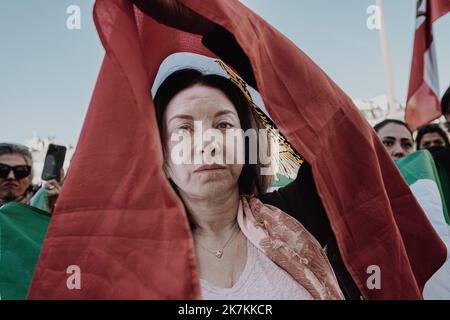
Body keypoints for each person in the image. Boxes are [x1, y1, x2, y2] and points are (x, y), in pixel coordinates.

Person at [154, 69, 343, 299]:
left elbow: (339, 134)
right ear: (161, 156)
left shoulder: (292, 214)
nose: (208, 143)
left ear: (247, 145)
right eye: (184, 128)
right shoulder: (141, 258)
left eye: (224, 125)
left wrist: (247, 56)